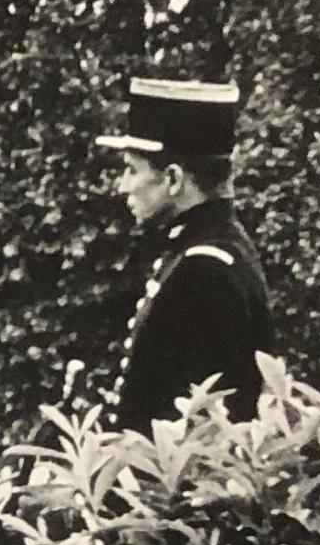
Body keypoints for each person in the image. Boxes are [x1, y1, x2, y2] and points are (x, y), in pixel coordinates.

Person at [95, 76, 276, 432]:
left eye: (133, 170)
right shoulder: (211, 248)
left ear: (174, 179)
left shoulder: (204, 270)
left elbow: (197, 424)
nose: (123, 186)